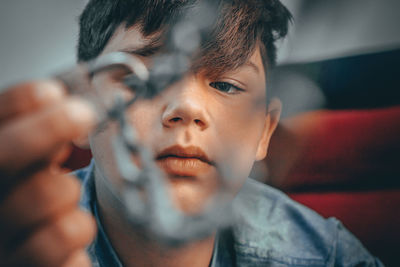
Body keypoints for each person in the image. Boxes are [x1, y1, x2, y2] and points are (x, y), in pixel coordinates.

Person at [0, 0, 383, 266]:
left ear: (264, 132)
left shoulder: (327, 255)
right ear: (82, 110)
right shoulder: (16, 237)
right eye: (139, 80)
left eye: (227, 85)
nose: (186, 108)